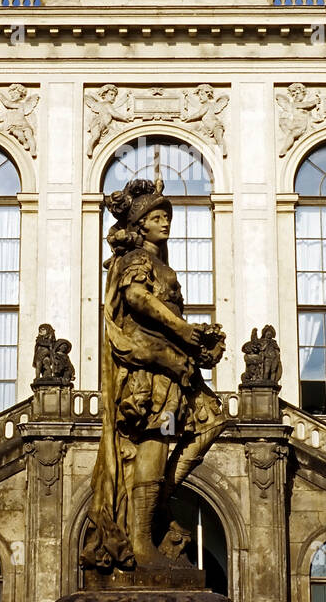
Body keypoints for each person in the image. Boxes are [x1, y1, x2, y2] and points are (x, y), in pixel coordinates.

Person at [81, 178, 226, 571]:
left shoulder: (161, 263)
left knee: (211, 419)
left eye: (167, 217)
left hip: (173, 369)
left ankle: (155, 501)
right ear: (141, 224)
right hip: (149, 374)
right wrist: (183, 330)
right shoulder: (136, 261)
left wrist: (196, 344)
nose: (166, 223)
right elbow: (137, 299)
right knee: (154, 443)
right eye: (157, 217)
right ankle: (141, 540)